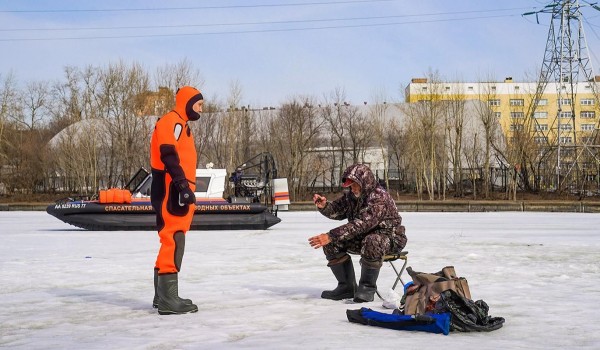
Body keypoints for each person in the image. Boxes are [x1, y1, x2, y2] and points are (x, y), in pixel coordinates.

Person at [308, 163, 407, 303]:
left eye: (355, 184)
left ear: (364, 182)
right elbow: (337, 210)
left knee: (372, 240)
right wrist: (324, 206)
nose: (352, 188)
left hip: (390, 238)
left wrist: (331, 235)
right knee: (332, 243)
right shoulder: (351, 196)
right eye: (350, 185)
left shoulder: (379, 197)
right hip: (364, 237)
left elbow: (361, 224)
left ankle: (366, 289)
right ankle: (346, 287)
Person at [150, 86, 204, 315]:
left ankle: (161, 296)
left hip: (177, 188)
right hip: (171, 189)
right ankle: (168, 300)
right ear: (187, 102)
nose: (202, 108)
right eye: (199, 104)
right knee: (174, 239)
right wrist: (182, 185)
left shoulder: (181, 125)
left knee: (170, 239)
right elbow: (167, 153)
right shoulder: (172, 122)